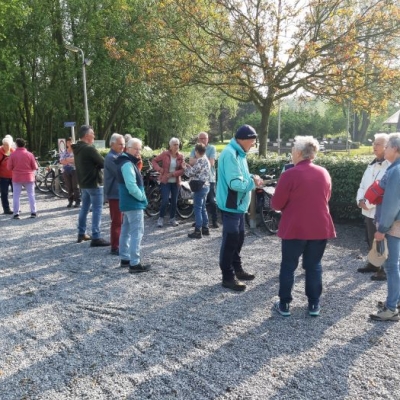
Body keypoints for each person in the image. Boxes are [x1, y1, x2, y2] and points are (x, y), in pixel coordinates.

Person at [271, 136, 336, 317]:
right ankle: (314, 304)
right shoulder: (324, 172)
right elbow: (326, 197)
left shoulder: (289, 174)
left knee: (288, 266)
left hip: (295, 227)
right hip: (319, 226)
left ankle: (284, 304)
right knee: (314, 265)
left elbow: (276, 203)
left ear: (299, 153)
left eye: (293, 150)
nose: (292, 153)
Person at [216, 125, 263, 291]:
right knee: (230, 241)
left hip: (238, 206)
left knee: (238, 239)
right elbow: (235, 183)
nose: (253, 145)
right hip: (231, 205)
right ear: (243, 139)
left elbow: (240, 175)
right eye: (252, 141)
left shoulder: (239, 153)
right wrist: (253, 182)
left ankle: (237, 269)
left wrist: (252, 176)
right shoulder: (231, 154)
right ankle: (227, 277)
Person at [370, 133, 400, 321]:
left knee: (391, 265)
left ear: (396, 149)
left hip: (394, 225)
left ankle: (391, 308)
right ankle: (394, 300)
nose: (385, 148)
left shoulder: (396, 171)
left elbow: (391, 203)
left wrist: (382, 229)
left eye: (388, 146)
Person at [356, 133, 390, 281]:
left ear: (387, 147)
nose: (374, 146)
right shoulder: (371, 165)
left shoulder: (390, 167)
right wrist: (360, 200)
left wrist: (368, 202)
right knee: (370, 238)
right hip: (368, 210)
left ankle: (383, 269)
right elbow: (363, 185)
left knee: (382, 240)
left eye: (378, 144)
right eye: (374, 143)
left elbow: (382, 190)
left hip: (380, 210)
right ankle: (373, 264)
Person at [115, 138, 151, 273]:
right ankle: (134, 263)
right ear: (128, 149)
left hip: (126, 202)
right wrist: (142, 198)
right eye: (136, 148)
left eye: (139, 149)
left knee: (126, 231)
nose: (138, 151)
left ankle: (125, 258)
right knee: (137, 232)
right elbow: (131, 186)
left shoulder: (123, 162)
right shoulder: (127, 164)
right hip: (133, 203)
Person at [72, 125, 110, 247]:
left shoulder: (77, 148)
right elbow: (103, 163)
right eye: (92, 133)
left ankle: (81, 233)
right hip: (94, 183)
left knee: (84, 208)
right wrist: (97, 166)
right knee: (97, 210)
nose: (94, 135)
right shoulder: (89, 149)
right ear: (87, 136)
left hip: (83, 183)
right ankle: (96, 236)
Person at [151, 137, 185, 227]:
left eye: (178, 144)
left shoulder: (180, 156)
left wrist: (173, 174)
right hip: (165, 181)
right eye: (175, 144)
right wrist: (159, 169)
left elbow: (182, 170)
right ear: (170, 146)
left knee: (174, 201)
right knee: (165, 200)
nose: (177, 146)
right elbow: (154, 161)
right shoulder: (165, 154)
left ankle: (172, 219)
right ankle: (160, 218)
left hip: (176, 182)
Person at [189, 132, 219, 228]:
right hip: (200, 182)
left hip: (210, 179)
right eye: (201, 138)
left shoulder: (211, 148)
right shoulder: (196, 148)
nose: (203, 140)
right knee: (202, 206)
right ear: (198, 139)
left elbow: (212, 163)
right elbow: (190, 161)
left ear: (208, 139)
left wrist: (196, 160)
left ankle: (214, 220)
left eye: (204, 138)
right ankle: (202, 223)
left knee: (211, 201)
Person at [104, 133, 125, 255]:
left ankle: (119, 243)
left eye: (123, 144)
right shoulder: (111, 157)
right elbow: (120, 173)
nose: (123, 146)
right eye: (120, 144)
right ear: (112, 144)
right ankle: (115, 246)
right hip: (114, 193)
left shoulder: (119, 155)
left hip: (120, 193)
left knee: (121, 220)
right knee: (116, 220)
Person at [184, 143, 211, 239]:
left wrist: (184, 168)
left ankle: (197, 230)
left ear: (196, 151)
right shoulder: (206, 160)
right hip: (206, 186)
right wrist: (189, 167)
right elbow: (198, 171)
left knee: (197, 208)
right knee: (203, 208)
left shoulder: (200, 160)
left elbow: (190, 173)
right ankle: (205, 228)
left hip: (200, 187)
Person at [7, 138, 38, 219]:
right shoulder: (30, 154)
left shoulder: (12, 155)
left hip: (17, 177)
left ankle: (16, 213)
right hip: (29, 177)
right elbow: (35, 166)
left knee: (16, 196)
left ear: (16, 145)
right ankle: (33, 212)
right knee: (31, 195)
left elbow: (9, 167)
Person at [59, 137, 81, 208]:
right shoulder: (63, 151)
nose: (69, 143)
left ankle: (77, 201)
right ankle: (70, 200)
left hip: (74, 170)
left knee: (75, 186)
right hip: (66, 170)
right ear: (66, 143)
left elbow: (76, 160)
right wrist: (69, 160)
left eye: (71, 142)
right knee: (69, 187)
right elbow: (61, 161)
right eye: (68, 142)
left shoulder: (76, 151)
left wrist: (67, 160)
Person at [0, 136, 14, 214]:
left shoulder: (13, 151)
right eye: (5, 145)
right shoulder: (0, 152)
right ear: (3, 145)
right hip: (3, 177)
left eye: (8, 145)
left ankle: (16, 207)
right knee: (4, 193)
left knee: (15, 192)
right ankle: (6, 209)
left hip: (13, 176)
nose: (7, 147)